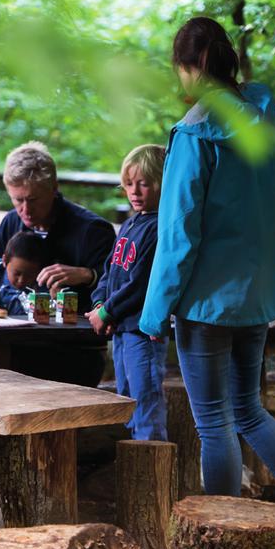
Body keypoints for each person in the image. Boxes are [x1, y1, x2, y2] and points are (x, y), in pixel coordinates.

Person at [138, 16, 275, 549]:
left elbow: (179, 232)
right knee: (248, 410)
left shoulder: (194, 131)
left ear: (196, 66)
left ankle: (221, 543)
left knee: (214, 424)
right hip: (256, 294)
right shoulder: (267, 116)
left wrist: (155, 313)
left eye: (179, 67)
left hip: (206, 303)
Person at [0, 142, 116, 385]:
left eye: (33, 200)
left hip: (74, 351)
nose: (25, 210)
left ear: (54, 188)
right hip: (15, 346)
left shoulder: (93, 231)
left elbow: (119, 284)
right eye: (17, 200)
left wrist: (88, 275)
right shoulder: (10, 224)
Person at [88, 144, 167, 441]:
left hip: (142, 331)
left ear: (162, 183)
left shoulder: (159, 228)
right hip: (121, 328)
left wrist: (107, 311)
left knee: (144, 399)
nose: (135, 191)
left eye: (144, 184)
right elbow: (110, 270)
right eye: (129, 184)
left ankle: (151, 459)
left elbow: (141, 282)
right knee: (125, 399)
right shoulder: (130, 224)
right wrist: (99, 304)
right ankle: (133, 459)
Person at [0, 231, 49, 317]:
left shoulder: (43, 289)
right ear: (4, 261)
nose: (22, 280)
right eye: (17, 273)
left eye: (29, 275)